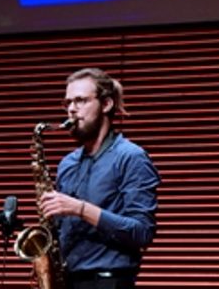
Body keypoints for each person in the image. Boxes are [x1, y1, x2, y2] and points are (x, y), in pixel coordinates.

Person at [39, 68, 160, 289]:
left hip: (109, 280)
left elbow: (142, 232)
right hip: (68, 279)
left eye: (80, 101)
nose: (72, 110)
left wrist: (80, 209)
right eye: (67, 103)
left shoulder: (131, 157)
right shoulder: (67, 164)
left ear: (106, 104)